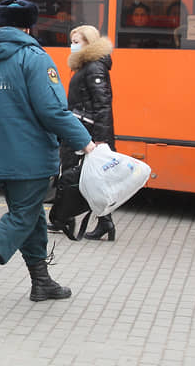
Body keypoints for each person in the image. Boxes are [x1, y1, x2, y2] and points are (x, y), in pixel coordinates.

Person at [0, 0, 95, 311]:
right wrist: (85, 141)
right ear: (29, 26)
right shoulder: (34, 57)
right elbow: (52, 110)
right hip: (31, 154)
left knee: (28, 214)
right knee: (22, 215)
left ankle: (41, 281)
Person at [62, 25, 117, 241]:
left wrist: (101, 139)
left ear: (89, 43)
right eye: (72, 41)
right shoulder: (87, 66)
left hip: (88, 132)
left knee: (84, 177)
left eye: (77, 42)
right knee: (88, 178)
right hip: (83, 129)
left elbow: (103, 104)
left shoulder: (94, 68)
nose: (72, 46)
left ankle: (97, 221)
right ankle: (101, 222)